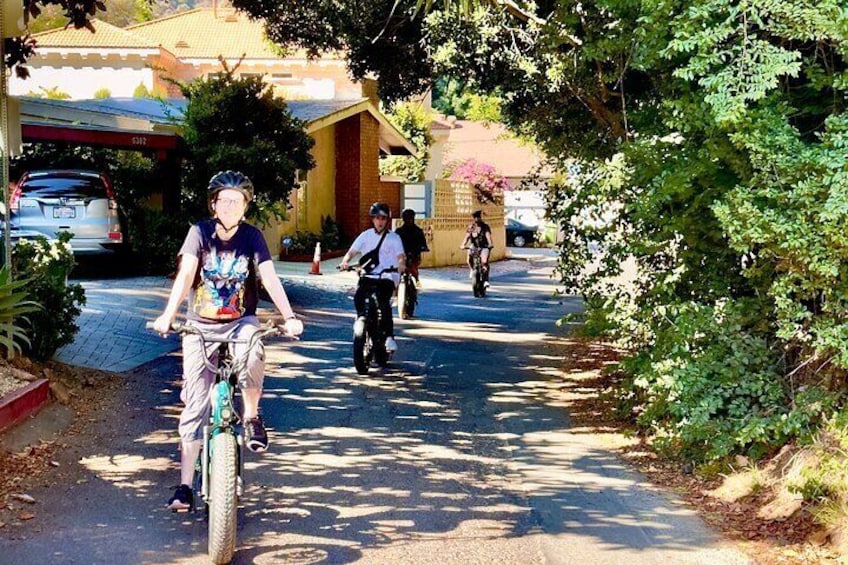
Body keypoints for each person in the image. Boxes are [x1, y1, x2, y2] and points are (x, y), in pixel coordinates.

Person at [152, 170, 304, 511]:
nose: (231, 205)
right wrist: (168, 313)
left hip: (240, 323)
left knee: (253, 349)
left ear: (246, 207)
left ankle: (251, 417)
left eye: (238, 201)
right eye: (224, 200)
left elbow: (268, 276)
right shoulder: (199, 233)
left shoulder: (252, 237)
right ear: (214, 204)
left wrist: (289, 315)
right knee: (195, 406)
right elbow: (187, 273)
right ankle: (185, 486)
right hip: (199, 327)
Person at [339, 202, 406, 353]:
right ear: (373, 219)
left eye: (383, 218)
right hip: (368, 275)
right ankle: (362, 319)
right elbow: (352, 252)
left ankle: (389, 337)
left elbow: (401, 256)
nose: (380, 221)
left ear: (387, 220)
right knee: (359, 296)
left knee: (383, 302)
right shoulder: (365, 235)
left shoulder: (394, 238)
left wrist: (401, 265)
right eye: (377, 218)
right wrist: (345, 262)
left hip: (387, 276)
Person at [394, 208, 429, 288]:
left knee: (413, 267)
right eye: (407, 218)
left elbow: (423, 243)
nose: (409, 221)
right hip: (402, 254)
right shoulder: (399, 231)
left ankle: (416, 279)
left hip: (414, 254)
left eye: (410, 218)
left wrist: (423, 247)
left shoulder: (418, 231)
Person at [461, 210, 494, 284]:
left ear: (480, 218)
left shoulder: (485, 227)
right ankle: (472, 270)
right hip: (474, 247)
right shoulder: (471, 227)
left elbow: (488, 236)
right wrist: (463, 245)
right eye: (475, 218)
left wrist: (490, 244)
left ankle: (486, 280)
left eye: (478, 217)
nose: (477, 219)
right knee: (469, 259)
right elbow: (467, 237)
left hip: (484, 247)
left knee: (484, 262)